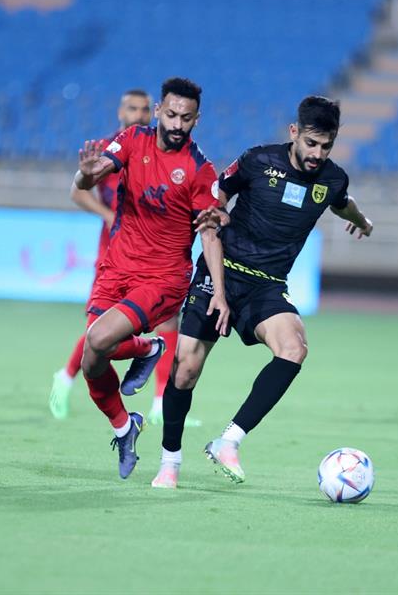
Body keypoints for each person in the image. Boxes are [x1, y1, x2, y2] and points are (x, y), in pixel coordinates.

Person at [150, 96, 373, 489]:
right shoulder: (258, 160)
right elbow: (217, 193)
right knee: (185, 369)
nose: (317, 154)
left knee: (294, 348)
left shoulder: (333, 179)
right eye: (311, 143)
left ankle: (229, 441)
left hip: (266, 284)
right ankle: (170, 462)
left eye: (326, 146)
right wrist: (216, 212)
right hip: (221, 272)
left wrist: (363, 221)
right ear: (294, 133)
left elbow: (342, 203)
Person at [73, 77, 229, 479]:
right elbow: (90, 178)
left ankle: (148, 348)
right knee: (92, 361)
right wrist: (85, 175)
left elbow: (209, 234)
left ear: (197, 120)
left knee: (98, 339)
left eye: (186, 118)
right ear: (159, 110)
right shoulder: (132, 140)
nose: (177, 124)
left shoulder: (199, 169)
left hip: (162, 278)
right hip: (117, 266)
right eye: (171, 114)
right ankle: (125, 426)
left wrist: (220, 293)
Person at [48, 89, 179, 423]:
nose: (139, 115)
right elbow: (78, 191)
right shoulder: (108, 150)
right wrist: (108, 216)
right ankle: (66, 376)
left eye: (144, 109)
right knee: (103, 327)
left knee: (168, 320)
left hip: (152, 253)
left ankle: (161, 403)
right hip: (114, 252)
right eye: (132, 108)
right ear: (120, 112)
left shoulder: (157, 150)